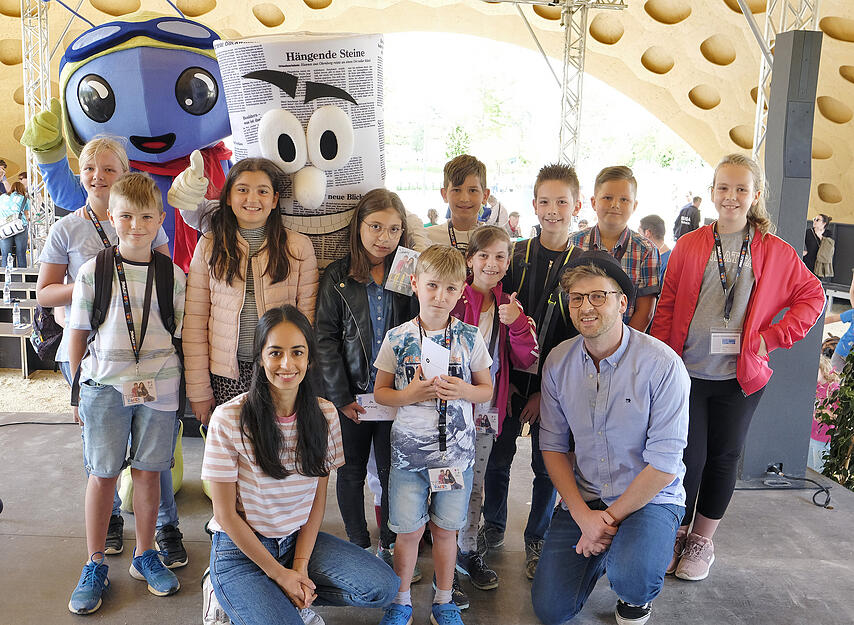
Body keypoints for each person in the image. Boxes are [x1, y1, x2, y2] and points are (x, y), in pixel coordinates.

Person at [651, 153, 824, 582]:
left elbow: (813, 296)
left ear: (756, 196)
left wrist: (770, 338)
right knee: (685, 455)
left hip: (739, 377)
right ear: (711, 192)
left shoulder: (774, 250)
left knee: (724, 456)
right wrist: (661, 359)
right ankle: (675, 531)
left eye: (741, 189)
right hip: (687, 371)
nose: (731, 197)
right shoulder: (689, 246)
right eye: (723, 188)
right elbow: (667, 304)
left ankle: (701, 540)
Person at [35, 137, 187, 567]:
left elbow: (168, 307)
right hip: (97, 365)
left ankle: (156, 537)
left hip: (155, 374)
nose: (97, 176)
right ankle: (101, 549)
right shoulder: (70, 234)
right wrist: (95, 281)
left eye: (108, 168)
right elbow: (51, 296)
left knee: (152, 463)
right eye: (89, 168)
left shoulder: (167, 267)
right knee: (102, 465)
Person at [202, 305, 400, 625]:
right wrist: (280, 574)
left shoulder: (324, 415)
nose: (287, 364)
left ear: (309, 359)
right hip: (240, 551)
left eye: (297, 352)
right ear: (260, 357)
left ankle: (274, 597)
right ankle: (222, 587)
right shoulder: (229, 419)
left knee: (383, 587)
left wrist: (300, 566)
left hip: (294, 540)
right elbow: (224, 514)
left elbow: (316, 499)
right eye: (275, 353)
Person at [532, 251, 689, 625]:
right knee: (550, 610)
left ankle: (633, 592)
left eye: (598, 296)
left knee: (633, 577)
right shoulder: (558, 361)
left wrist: (606, 520)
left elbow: (665, 465)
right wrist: (585, 516)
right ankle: (609, 550)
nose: (586, 306)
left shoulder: (662, 365)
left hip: (649, 498)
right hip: (588, 495)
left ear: (622, 303)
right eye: (576, 297)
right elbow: (552, 446)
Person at [65, 173, 186, 614]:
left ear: (160, 220)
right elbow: (78, 333)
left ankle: (145, 552)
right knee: (103, 474)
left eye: (146, 217)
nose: (137, 225)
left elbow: (181, 332)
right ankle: (95, 561)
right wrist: (77, 391)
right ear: (112, 217)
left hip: (160, 387)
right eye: (127, 216)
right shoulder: (92, 270)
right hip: (103, 387)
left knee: (151, 473)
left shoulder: (172, 274)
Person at [374, 245, 493, 625]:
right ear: (415, 284)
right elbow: (381, 392)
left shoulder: (471, 337)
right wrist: (409, 395)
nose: (440, 296)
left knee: (447, 531)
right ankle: (401, 599)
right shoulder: (397, 337)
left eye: (450, 288)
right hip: (408, 458)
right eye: (432, 286)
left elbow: (486, 390)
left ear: (462, 290)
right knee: (407, 532)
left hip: (454, 459)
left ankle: (444, 601)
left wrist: (463, 391)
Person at [483, 163, 582, 580]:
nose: (553, 210)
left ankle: (536, 537)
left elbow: (581, 336)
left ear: (577, 205)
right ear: (534, 204)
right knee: (497, 458)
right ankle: (492, 528)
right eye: (545, 201)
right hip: (507, 380)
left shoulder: (585, 264)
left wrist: (547, 391)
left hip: (557, 386)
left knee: (547, 466)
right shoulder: (515, 255)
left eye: (562, 201)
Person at [315, 188, 420, 579]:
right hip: (354, 395)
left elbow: (419, 328)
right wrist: (341, 397)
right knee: (353, 469)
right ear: (359, 225)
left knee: (394, 469)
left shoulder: (408, 273)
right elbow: (324, 337)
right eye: (375, 226)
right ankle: (358, 544)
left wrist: (409, 392)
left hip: (396, 394)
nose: (383, 237)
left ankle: (391, 544)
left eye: (394, 229)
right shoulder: (337, 276)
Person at [183, 158, 319, 426]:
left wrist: (299, 373)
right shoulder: (209, 246)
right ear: (229, 196)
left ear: (275, 198)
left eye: (263, 191)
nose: (252, 198)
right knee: (233, 458)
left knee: (278, 456)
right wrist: (198, 390)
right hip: (225, 376)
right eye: (242, 189)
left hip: (282, 371)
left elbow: (308, 321)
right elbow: (195, 322)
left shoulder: (299, 247)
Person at [450, 225, 539, 595]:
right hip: (452, 412)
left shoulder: (509, 304)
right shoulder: (455, 296)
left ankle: (467, 551)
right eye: (483, 255)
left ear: (508, 262)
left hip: (488, 411)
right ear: (470, 259)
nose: (491, 263)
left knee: (476, 486)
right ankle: (447, 562)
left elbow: (527, 359)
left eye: (500, 256)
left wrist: (517, 323)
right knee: (448, 485)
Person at [569, 166, 660, 331]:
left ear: (634, 205)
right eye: (607, 197)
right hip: (577, 338)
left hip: (625, 342)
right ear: (593, 202)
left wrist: (624, 349)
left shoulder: (647, 251)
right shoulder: (573, 243)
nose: (615, 205)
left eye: (624, 200)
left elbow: (645, 312)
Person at [426, 155, 489, 253]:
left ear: (485, 196)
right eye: (456, 190)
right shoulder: (427, 239)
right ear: (444, 194)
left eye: (472, 190)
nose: (464, 199)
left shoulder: (494, 240)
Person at [809, 355, 838, 473]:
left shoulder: (833, 388)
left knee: (819, 472)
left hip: (823, 438)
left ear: (823, 368)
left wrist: (824, 412)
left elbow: (838, 415)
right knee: (809, 471)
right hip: (810, 435)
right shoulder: (814, 387)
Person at [1, 181, 30, 267]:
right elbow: (26, 215)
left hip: (4, 228)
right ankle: (23, 277)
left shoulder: (2, 197)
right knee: (21, 254)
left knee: (6, 255)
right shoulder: (25, 199)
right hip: (20, 227)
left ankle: (5, 277)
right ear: (22, 189)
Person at [638, 214, 670, 283]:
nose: (637, 236)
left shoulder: (667, 263)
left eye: (639, 232)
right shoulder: (669, 256)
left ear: (647, 233)